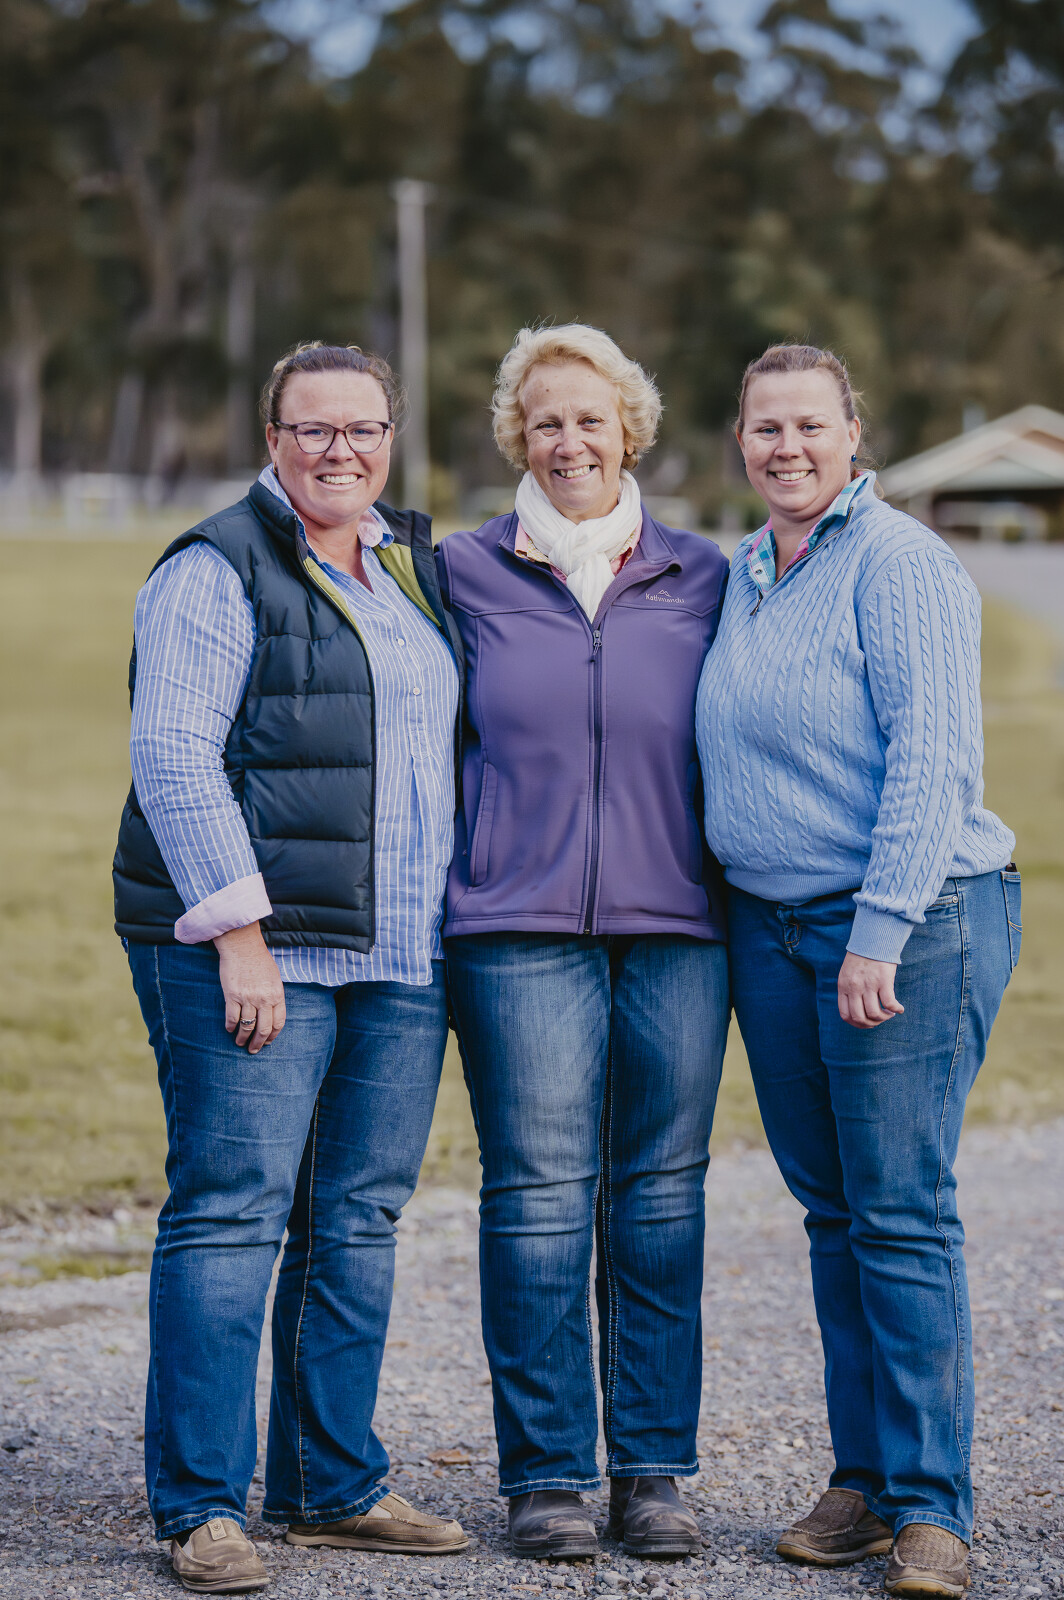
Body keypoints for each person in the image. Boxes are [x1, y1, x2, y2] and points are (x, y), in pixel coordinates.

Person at [113, 341, 468, 1593]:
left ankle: (328, 1484)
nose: (339, 450)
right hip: (259, 953)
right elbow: (173, 755)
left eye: (362, 428)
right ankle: (199, 1505)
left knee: (354, 1218)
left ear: (391, 439)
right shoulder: (215, 567)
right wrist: (240, 938)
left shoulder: (402, 565)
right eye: (313, 428)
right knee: (232, 1211)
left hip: (398, 950)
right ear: (273, 439)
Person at [696, 343, 1020, 1599]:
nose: (786, 447)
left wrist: (877, 929)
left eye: (808, 425)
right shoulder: (746, 570)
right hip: (772, 931)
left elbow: (931, 758)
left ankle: (933, 1506)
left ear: (850, 434)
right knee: (832, 1214)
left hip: (901, 924)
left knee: (896, 1210)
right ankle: (865, 1481)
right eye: (764, 427)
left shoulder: (898, 562)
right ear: (739, 439)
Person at [438, 324, 730, 1561]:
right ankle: (546, 1475)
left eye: (590, 418)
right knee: (538, 1196)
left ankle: (651, 1473)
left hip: (677, 928)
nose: (568, 440)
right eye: (544, 419)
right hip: (515, 927)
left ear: (630, 432)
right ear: (518, 434)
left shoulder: (704, 573)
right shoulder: (458, 570)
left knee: (660, 1196)